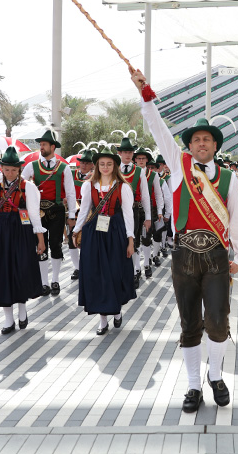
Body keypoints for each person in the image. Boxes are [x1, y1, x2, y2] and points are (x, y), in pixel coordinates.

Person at [135, 70, 238, 413]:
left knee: (218, 319)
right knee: (189, 324)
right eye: (197, 139)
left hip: (216, 257)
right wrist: (145, 94)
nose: (202, 143)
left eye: (207, 140)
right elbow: (157, 127)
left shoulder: (228, 178)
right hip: (184, 255)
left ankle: (215, 376)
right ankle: (191, 386)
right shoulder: (178, 163)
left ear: (215, 146)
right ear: (189, 145)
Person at [0, 147, 46, 334]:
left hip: (21, 232)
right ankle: (9, 319)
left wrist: (40, 239)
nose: (10, 173)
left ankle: (22, 310)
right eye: (6, 169)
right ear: (1, 168)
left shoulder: (28, 186)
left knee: (21, 271)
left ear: (19, 169)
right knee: (1, 274)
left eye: (13, 170)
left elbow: (33, 214)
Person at [72, 147, 135, 335]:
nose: (105, 167)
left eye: (109, 164)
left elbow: (128, 215)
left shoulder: (123, 187)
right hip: (94, 234)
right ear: (97, 166)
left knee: (114, 272)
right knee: (97, 274)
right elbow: (84, 210)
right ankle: (102, 319)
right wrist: (76, 231)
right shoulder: (88, 186)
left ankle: (116, 311)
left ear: (114, 166)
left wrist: (130, 240)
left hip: (115, 232)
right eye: (102, 164)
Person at [21, 130, 77, 297]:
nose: (41, 147)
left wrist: (72, 215)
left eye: (44, 144)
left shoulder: (64, 168)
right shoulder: (32, 166)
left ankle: (55, 280)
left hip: (57, 211)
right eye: (40, 145)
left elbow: (71, 192)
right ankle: (44, 282)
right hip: (38, 212)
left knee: (56, 244)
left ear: (53, 147)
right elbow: (20, 185)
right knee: (40, 246)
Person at [116, 137, 151, 283]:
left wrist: (148, 216)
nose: (128, 154)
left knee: (134, 240)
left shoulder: (139, 171)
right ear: (119, 153)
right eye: (125, 151)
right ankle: (120, 272)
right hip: (116, 211)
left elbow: (145, 195)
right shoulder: (113, 168)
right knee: (118, 241)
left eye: (130, 151)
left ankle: (135, 270)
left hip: (134, 210)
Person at [134, 149, 164, 274]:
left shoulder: (153, 175)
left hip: (148, 208)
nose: (141, 160)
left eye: (143, 158)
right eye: (139, 158)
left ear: (147, 160)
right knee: (134, 238)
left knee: (146, 237)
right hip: (133, 208)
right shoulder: (131, 173)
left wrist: (160, 210)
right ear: (135, 160)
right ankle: (136, 268)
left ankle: (146, 263)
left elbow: (158, 194)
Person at [68, 151, 95, 280]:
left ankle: (86, 266)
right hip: (73, 211)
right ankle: (77, 268)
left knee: (86, 240)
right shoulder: (72, 174)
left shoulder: (94, 177)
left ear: (92, 165)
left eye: (87, 163)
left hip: (89, 212)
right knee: (71, 239)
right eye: (82, 162)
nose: (84, 165)